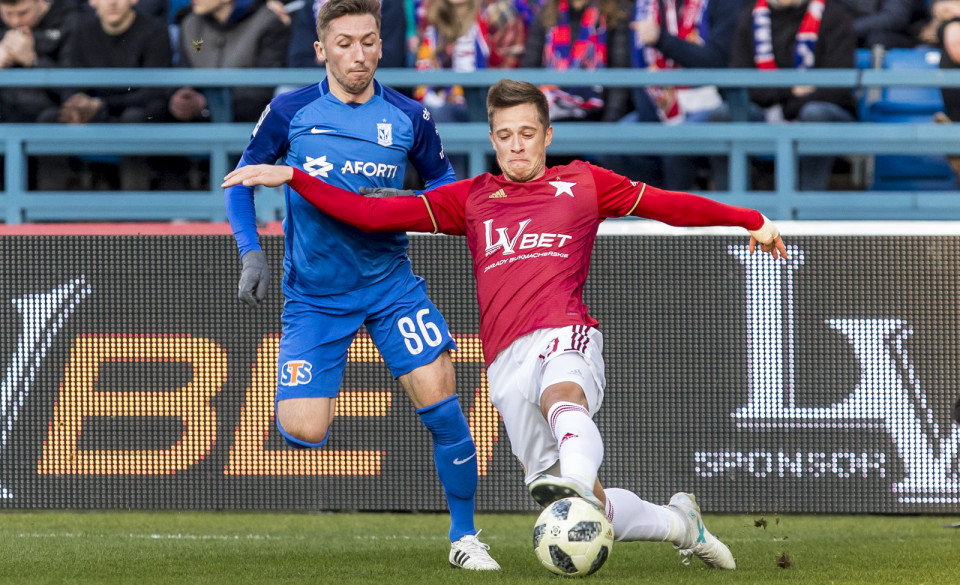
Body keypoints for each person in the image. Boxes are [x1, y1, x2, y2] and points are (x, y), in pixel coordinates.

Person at [223, 78, 790, 570]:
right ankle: (681, 524)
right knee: (591, 508)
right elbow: (371, 214)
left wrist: (751, 219)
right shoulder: (471, 198)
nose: (517, 145)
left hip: (566, 332)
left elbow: (669, 205)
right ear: (492, 141)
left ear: (548, 136)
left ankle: (573, 477)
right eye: (505, 135)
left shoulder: (585, 183)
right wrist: (295, 177)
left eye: (527, 133)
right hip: (506, 364)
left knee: (563, 397)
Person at [222, 0, 499, 571]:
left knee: (444, 404)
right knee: (304, 428)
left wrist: (410, 201)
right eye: (344, 43)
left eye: (368, 41)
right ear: (321, 49)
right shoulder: (289, 110)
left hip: (391, 286)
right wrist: (251, 252)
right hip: (316, 295)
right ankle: (316, 379)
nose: (358, 54)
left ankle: (465, 536)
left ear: (381, 45)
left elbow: (446, 187)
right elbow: (240, 182)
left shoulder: (410, 115)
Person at [708, 0, 858, 191]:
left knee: (815, 114)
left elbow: (838, 87)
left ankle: (810, 203)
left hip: (819, 111)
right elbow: (740, 82)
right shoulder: (749, 17)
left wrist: (789, 105)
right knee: (722, 115)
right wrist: (790, 91)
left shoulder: (834, 16)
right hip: (765, 110)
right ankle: (730, 202)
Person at [39, 0, 171, 190]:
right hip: (97, 111)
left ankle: (135, 204)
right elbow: (72, 81)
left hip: (138, 112)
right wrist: (76, 104)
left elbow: (154, 92)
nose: (112, 3)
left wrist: (101, 105)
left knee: (133, 119)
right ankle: (47, 205)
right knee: (50, 119)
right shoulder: (81, 30)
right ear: (92, 2)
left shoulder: (155, 30)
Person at [171, 0, 290, 123]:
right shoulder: (189, 23)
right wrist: (182, 98)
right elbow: (182, 78)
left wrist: (207, 104)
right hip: (196, 126)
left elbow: (264, 87)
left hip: (251, 125)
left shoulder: (268, 22)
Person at [0, 0, 76, 123]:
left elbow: (73, 87)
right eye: (8, 14)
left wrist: (32, 60)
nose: (15, 22)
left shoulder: (70, 21)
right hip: (6, 115)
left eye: (23, 13)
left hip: (50, 116)